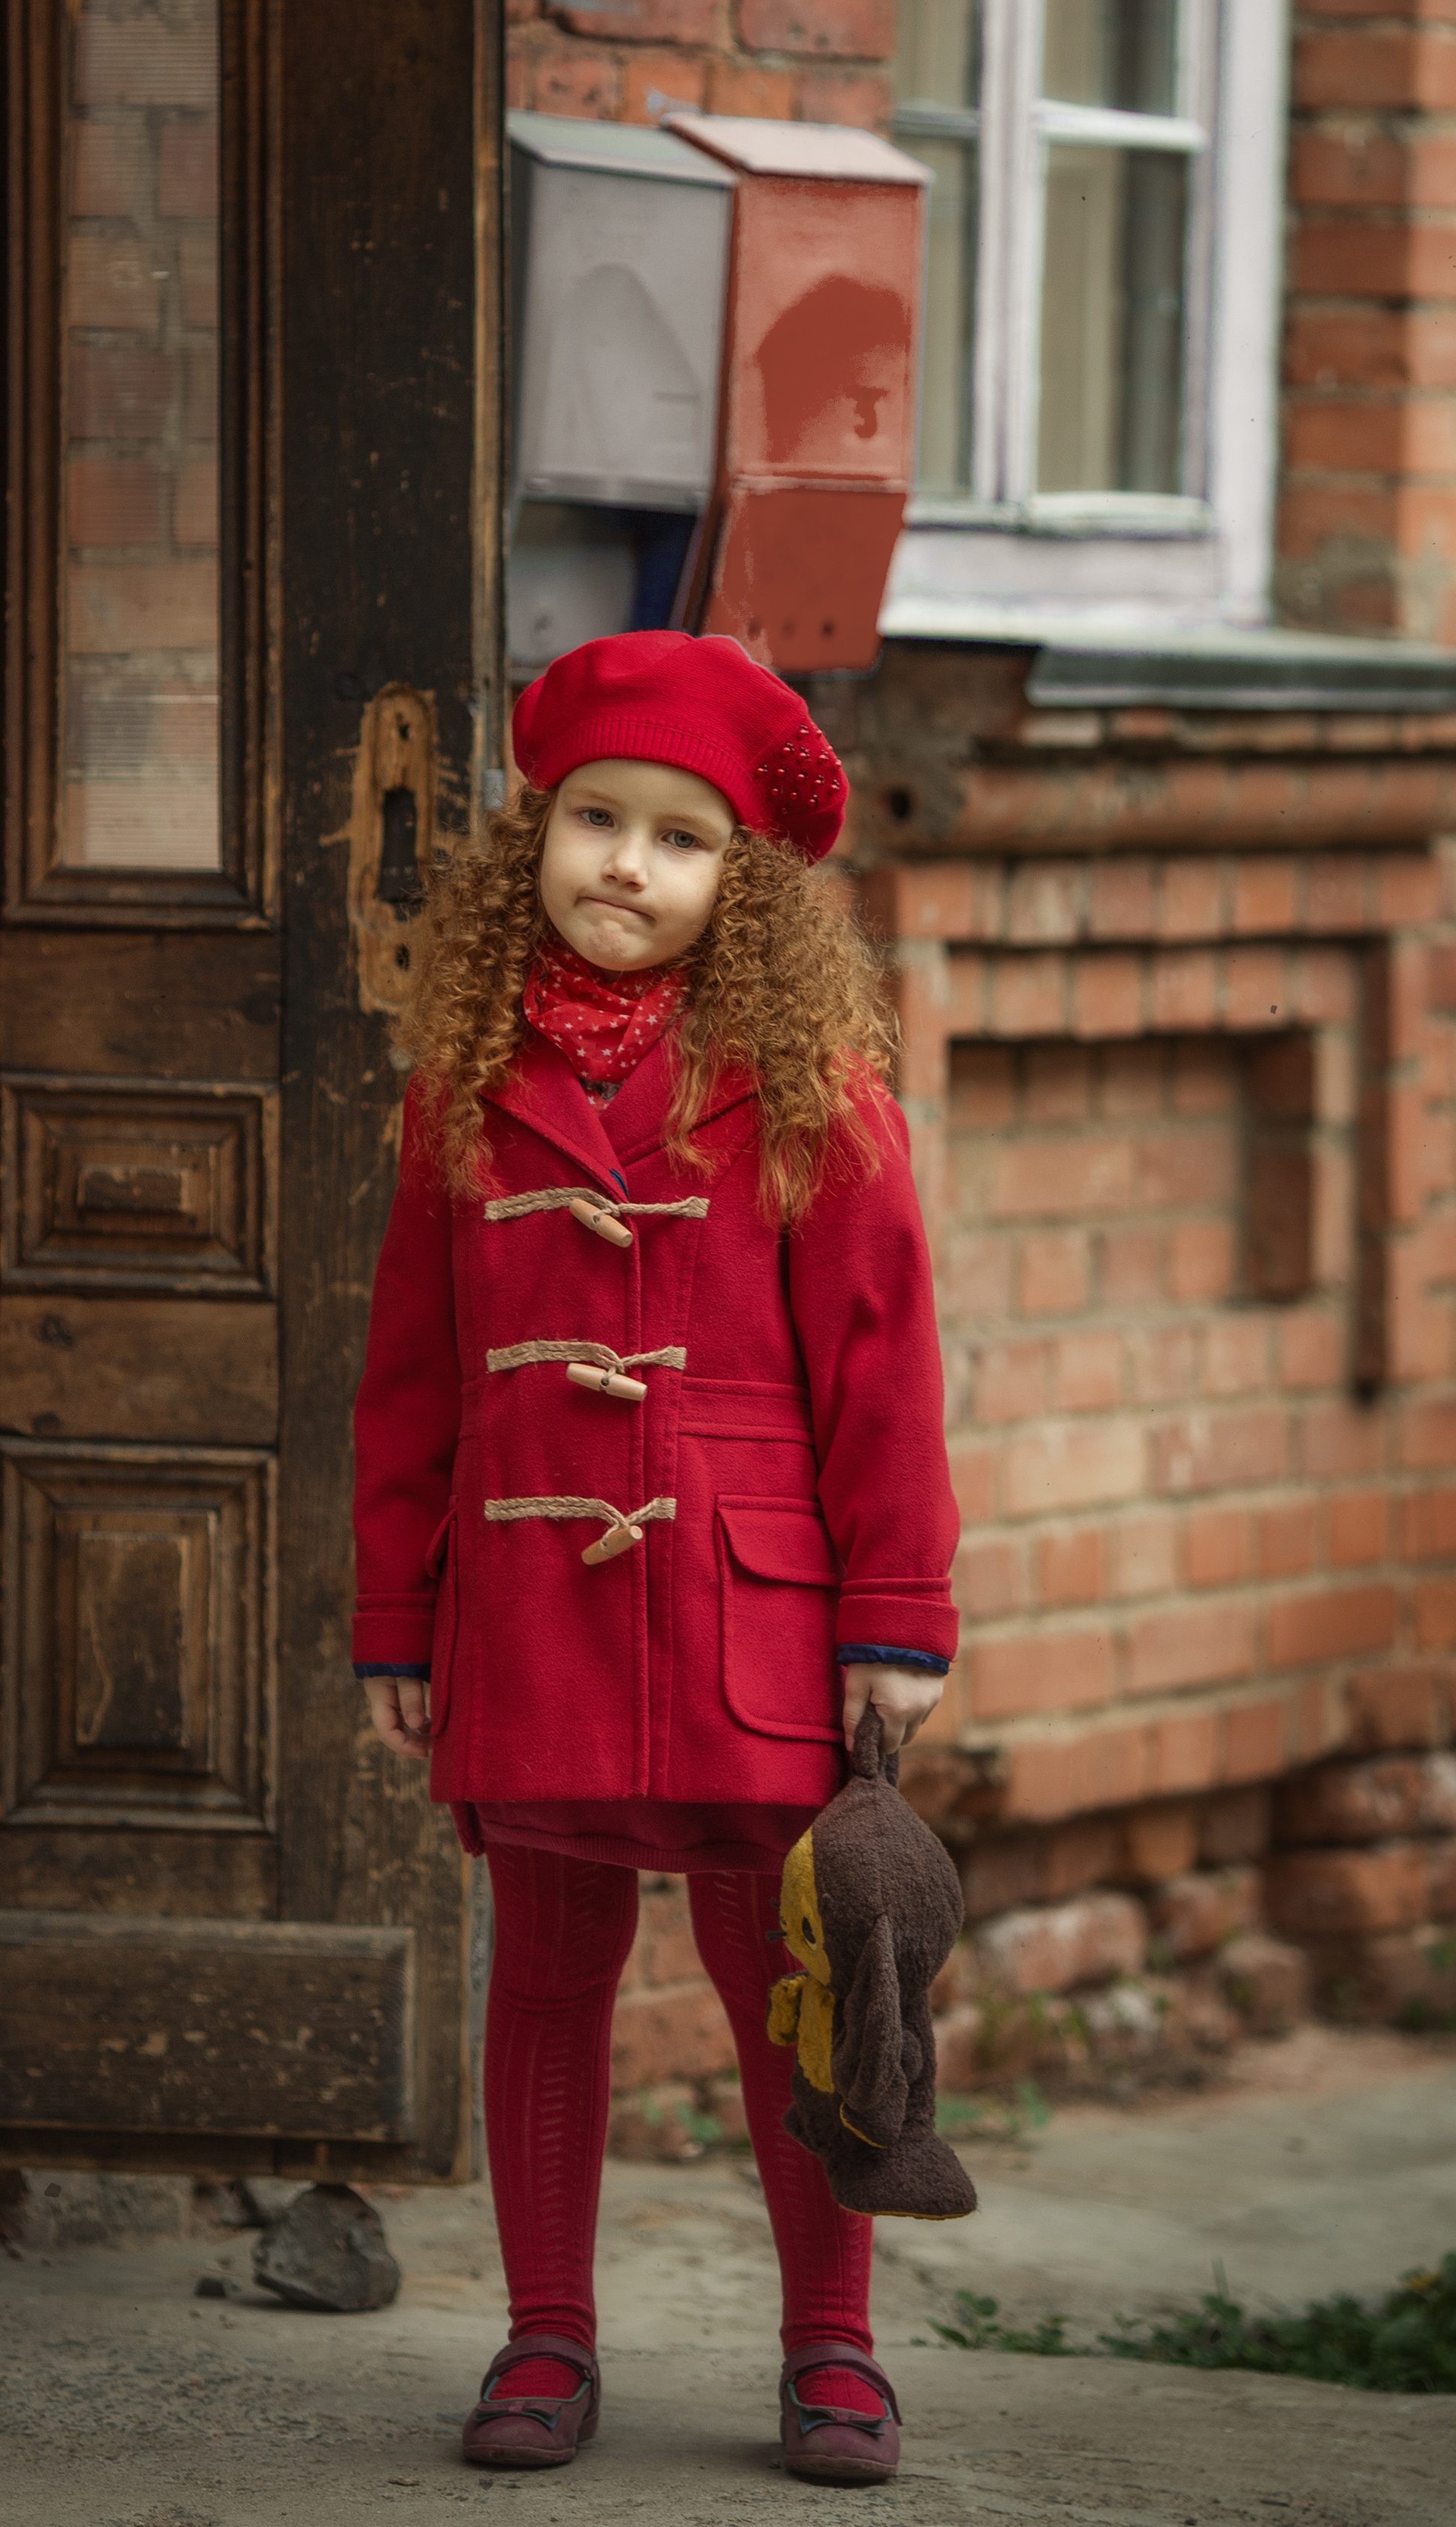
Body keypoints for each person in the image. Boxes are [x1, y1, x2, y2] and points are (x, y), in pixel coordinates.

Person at [352, 632, 960, 2488]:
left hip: (743, 1613)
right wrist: (398, 1611)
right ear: (533, 839)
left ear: (743, 889)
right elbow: (410, 1374)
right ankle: (544, 2337)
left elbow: (885, 1375)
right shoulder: (461, 1089)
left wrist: (896, 1625)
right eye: (593, 821)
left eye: (678, 840)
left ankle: (831, 2349)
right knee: (542, 1963)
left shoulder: (811, 1096)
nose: (624, 864)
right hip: (530, 1599)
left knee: (788, 1970)